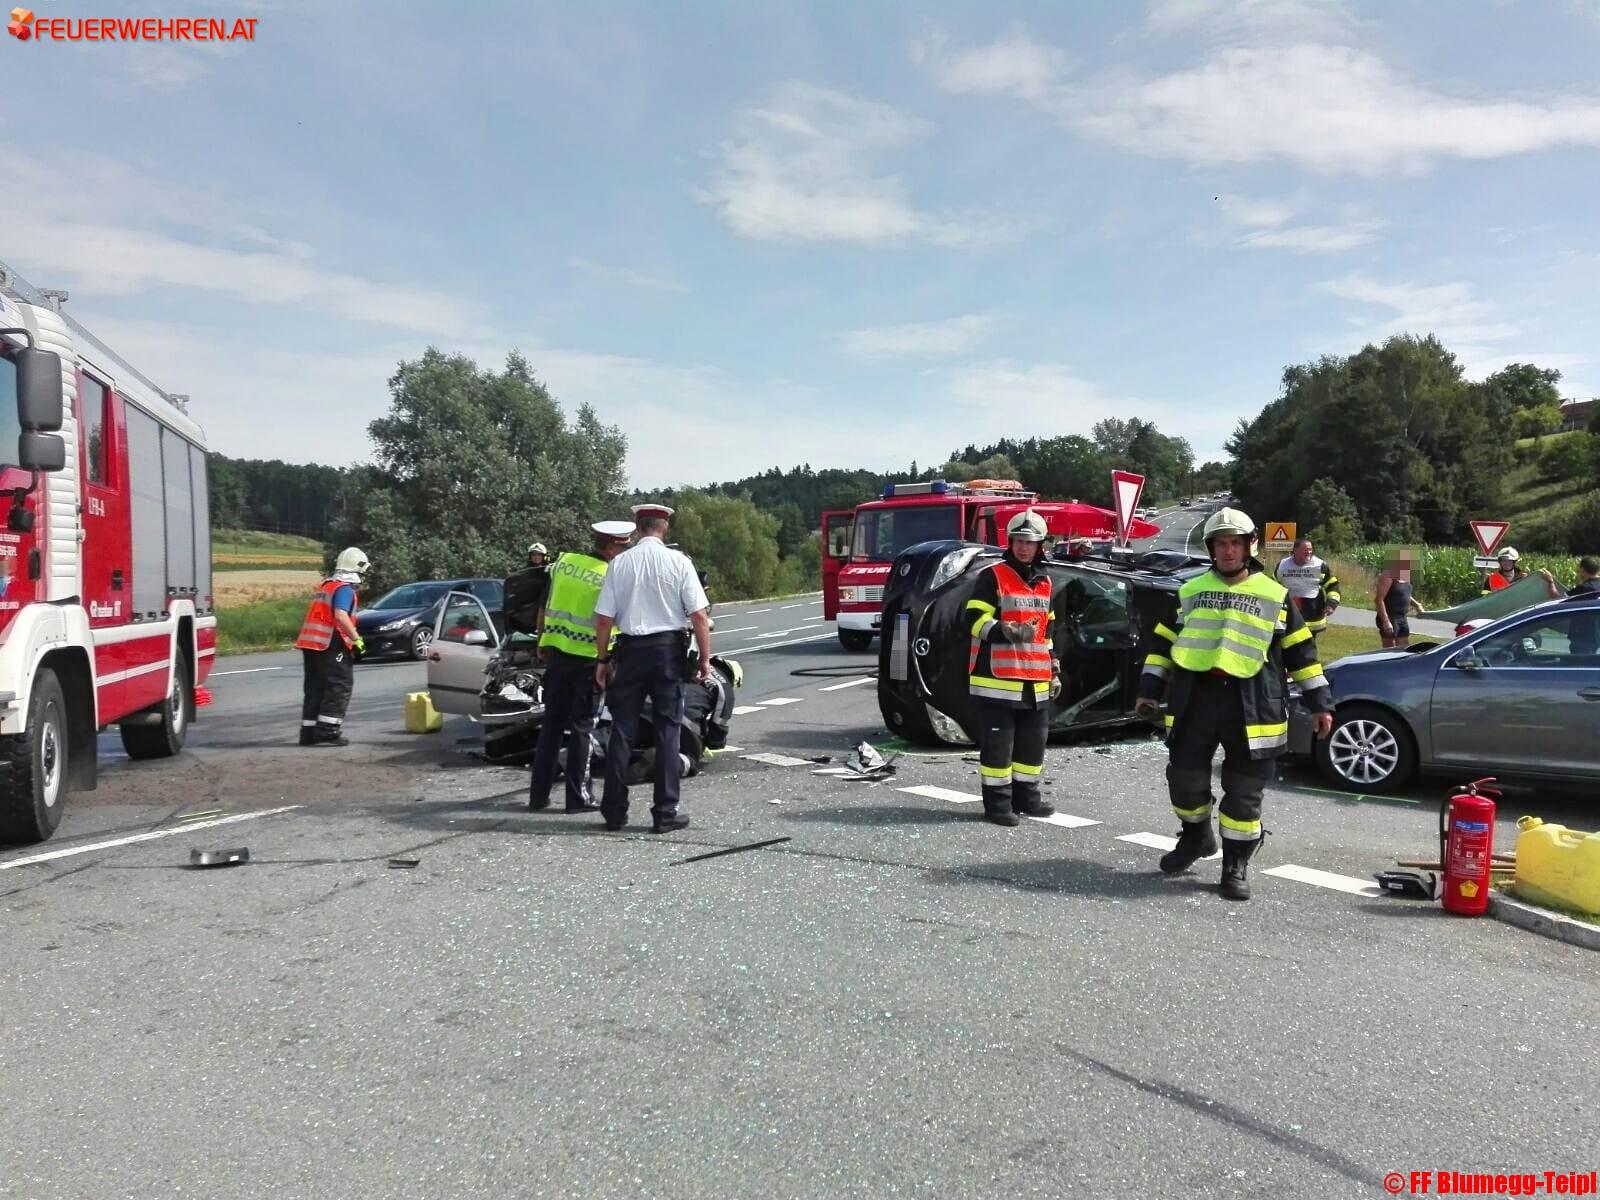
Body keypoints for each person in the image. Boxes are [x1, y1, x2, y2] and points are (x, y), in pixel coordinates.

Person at [1134, 509, 1334, 901]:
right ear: (1211, 548)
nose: (1228, 551)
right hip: (1196, 700)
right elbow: (1160, 647)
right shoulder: (1188, 592)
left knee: (1244, 793)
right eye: (1221, 544)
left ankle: (1235, 864)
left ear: (1248, 547)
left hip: (1254, 704)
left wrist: (1321, 704)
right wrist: (1148, 689)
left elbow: (1303, 655)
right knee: (1185, 782)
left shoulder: (1274, 596)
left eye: (1235, 543)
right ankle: (1196, 838)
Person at [591, 503, 712, 834]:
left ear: (637, 526)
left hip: (629, 653)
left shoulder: (620, 565)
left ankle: (614, 811)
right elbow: (699, 615)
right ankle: (664, 812)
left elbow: (603, 619)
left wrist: (602, 660)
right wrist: (704, 659)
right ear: (664, 527)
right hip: (667, 654)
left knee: (622, 731)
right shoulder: (679, 562)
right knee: (668, 731)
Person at [528, 522, 635, 814]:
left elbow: (543, 607)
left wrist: (541, 641)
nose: (625, 552)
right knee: (582, 729)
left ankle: (538, 796)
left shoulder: (563, 563)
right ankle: (579, 798)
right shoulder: (609, 575)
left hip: (556, 655)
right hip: (589, 660)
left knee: (550, 728)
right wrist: (606, 659)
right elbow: (611, 620)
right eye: (624, 547)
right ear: (611, 547)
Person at [963, 510, 1061, 827]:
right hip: (997, 681)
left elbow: (1048, 633)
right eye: (1019, 541)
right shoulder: (992, 576)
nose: (1023, 547)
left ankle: (1027, 800)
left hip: (1036, 682)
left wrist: (1054, 669)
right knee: (998, 750)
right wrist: (1005, 630)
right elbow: (973, 620)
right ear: (1011, 542)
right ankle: (997, 806)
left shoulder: (1046, 582)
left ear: (1040, 545)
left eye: (1030, 542)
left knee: (1033, 745)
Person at [293, 547, 369, 747]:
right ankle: (328, 731)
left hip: (311, 643)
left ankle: (308, 733)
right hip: (330, 643)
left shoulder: (326, 585)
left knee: (315, 688)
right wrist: (357, 639)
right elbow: (340, 615)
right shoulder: (344, 588)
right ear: (358, 569)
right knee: (340, 685)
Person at [1274, 537, 1340, 637]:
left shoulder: (1319, 566)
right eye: (1305, 550)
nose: (1308, 552)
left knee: (1308, 647)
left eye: (1310, 550)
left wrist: (1331, 604)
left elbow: (1332, 585)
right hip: (1288, 611)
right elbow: (1273, 585)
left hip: (1312, 613)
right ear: (1295, 550)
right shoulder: (1283, 565)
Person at [1374, 549, 1424, 649]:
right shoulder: (1388, 576)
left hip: (1402, 618)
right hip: (1390, 617)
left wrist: (1416, 604)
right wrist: (1386, 621)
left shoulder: (1405, 576)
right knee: (1389, 651)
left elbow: (1404, 594)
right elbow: (1379, 600)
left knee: (1404, 649)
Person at [504, 542, 552, 638]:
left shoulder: (550, 572)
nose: (536, 557)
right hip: (528, 614)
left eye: (538, 555)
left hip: (546, 609)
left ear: (545, 557)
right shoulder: (524, 573)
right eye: (533, 554)